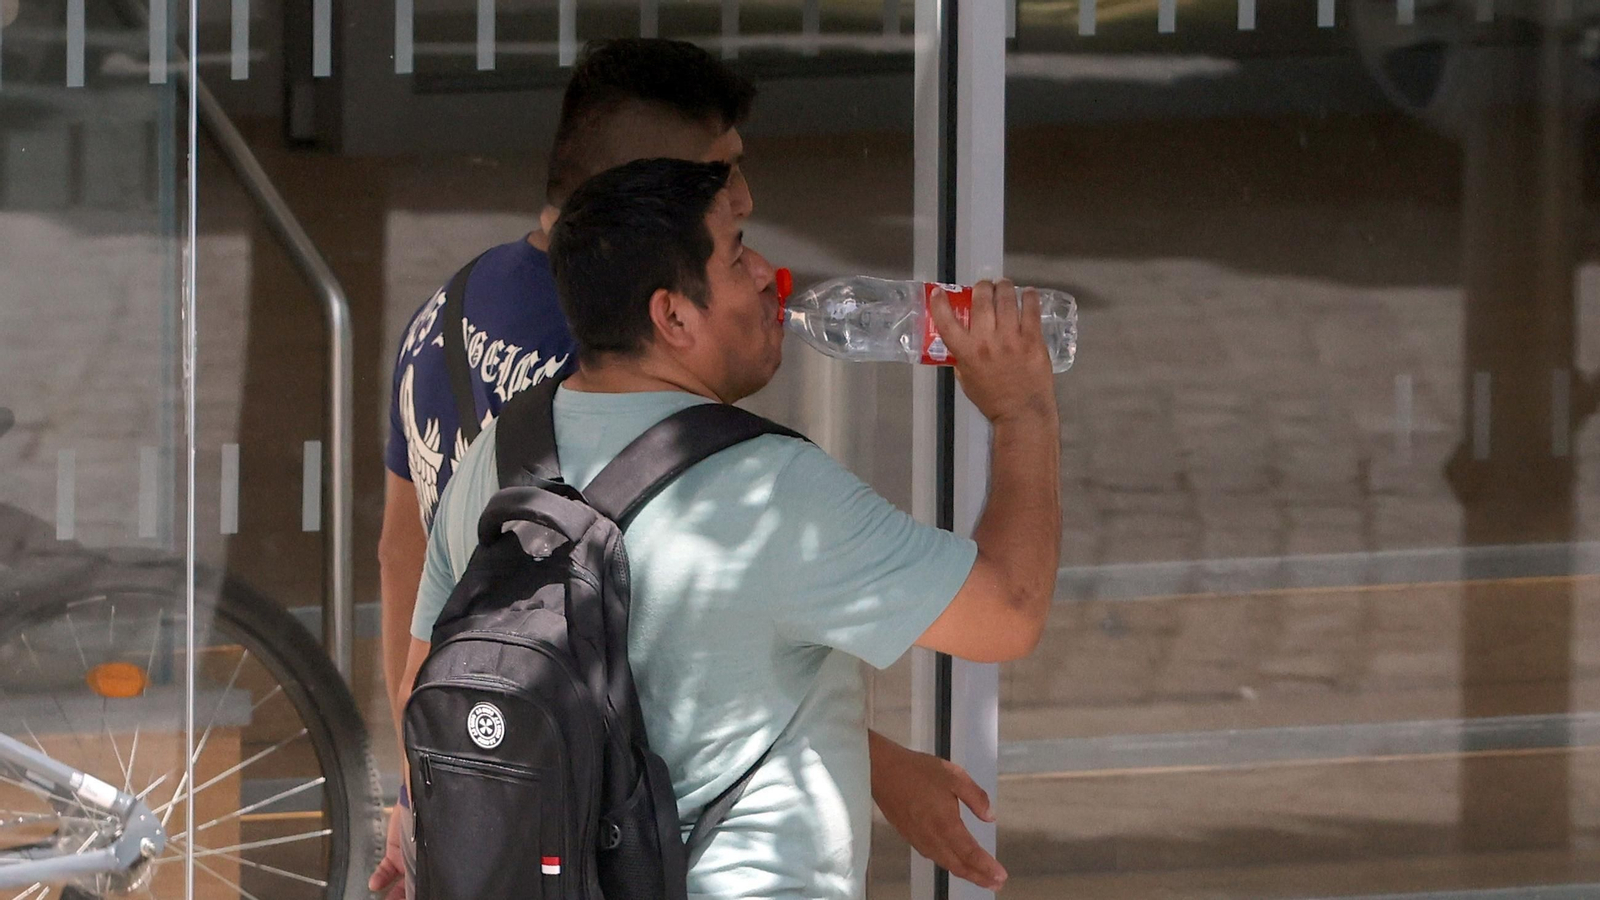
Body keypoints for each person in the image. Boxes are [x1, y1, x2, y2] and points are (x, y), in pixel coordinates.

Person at [373, 39, 1005, 898]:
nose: (743, 199)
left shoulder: (443, 310)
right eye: (719, 173)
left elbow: (406, 560)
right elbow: (660, 645)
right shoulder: (601, 364)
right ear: (644, 195)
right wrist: (885, 773)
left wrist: (434, 792)